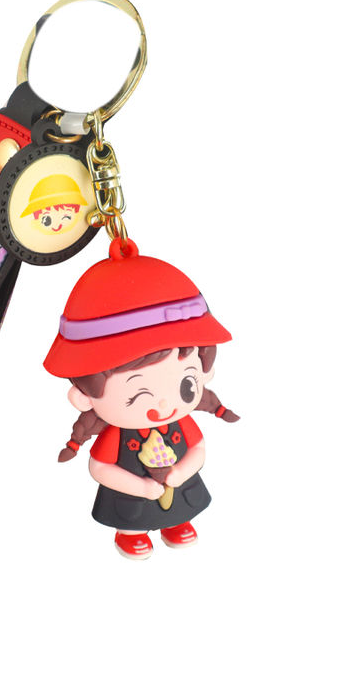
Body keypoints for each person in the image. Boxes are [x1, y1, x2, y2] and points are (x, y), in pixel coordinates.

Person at [43, 238, 239, 560]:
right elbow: (100, 468)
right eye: (136, 396)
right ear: (84, 397)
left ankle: (176, 523)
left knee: (181, 506)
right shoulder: (116, 435)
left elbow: (198, 449)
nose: (163, 406)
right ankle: (130, 534)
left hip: (180, 487)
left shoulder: (181, 422)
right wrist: (141, 488)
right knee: (132, 518)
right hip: (131, 498)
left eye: (186, 385)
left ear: (205, 374)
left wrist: (182, 472)